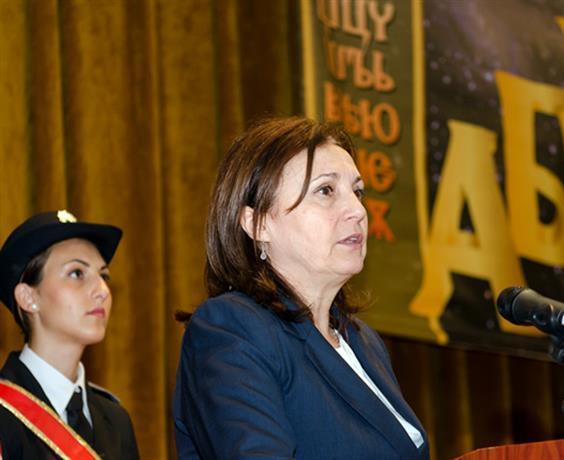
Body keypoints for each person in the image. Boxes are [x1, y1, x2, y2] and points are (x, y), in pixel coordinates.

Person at [174, 116, 429, 459]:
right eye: (326, 191)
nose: (357, 210)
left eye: (357, 192)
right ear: (258, 223)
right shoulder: (232, 329)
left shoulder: (364, 342)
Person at [0, 210, 139, 459]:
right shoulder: (5, 412)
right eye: (77, 273)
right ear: (28, 297)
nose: (103, 290)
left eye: (104, 275)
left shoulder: (116, 420)